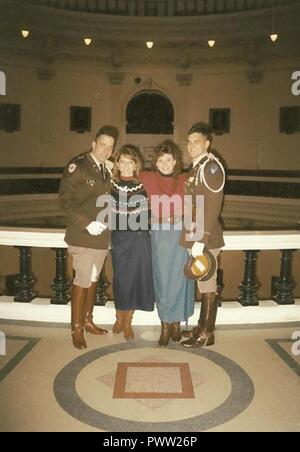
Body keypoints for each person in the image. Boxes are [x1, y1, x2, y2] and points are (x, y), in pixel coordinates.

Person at [59, 125, 118, 349]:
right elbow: (65, 201)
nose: (106, 149)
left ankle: (88, 320)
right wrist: (87, 223)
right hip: (84, 235)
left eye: (110, 147)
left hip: (101, 237)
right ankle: (76, 329)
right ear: (93, 144)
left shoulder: (106, 169)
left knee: (93, 279)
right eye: (102, 144)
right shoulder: (79, 166)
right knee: (82, 280)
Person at [140, 142, 195, 346]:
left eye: (169, 159)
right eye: (161, 160)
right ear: (155, 162)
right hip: (160, 235)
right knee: (163, 280)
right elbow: (123, 170)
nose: (165, 163)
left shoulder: (185, 179)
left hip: (182, 232)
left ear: (176, 162)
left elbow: (199, 201)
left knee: (181, 278)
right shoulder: (147, 178)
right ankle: (165, 324)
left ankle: (176, 324)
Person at [180, 122, 225, 348]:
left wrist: (201, 239)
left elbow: (212, 206)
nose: (190, 146)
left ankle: (207, 334)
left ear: (206, 143)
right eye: (188, 142)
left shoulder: (211, 168)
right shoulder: (196, 167)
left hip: (204, 237)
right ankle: (201, 327)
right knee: (202, 282)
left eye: (195, 142)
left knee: (207, 284)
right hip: (194, 233)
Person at [110, 145, 155, 340]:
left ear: (135, 164)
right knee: (121, 279)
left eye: (130, 162)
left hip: (139, 238)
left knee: (135, 279)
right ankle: (118, 317)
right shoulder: (110, 184)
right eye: (123, 161)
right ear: (117, 164)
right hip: (119, 238)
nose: (127, 166)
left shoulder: (144, 183)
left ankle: (127, 321)